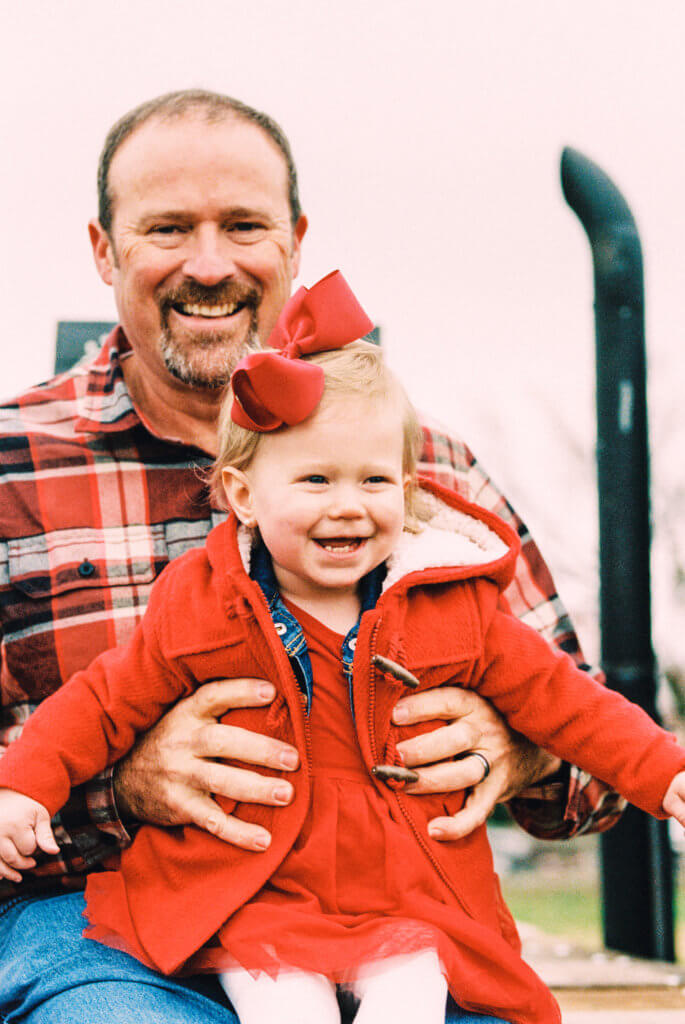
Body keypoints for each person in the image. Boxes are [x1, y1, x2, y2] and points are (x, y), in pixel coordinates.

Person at [0, 90, 622, 1023]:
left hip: (392, 924)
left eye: (243, 225)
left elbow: (594, 758)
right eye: (168, 228)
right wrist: (116, 790)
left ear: (293, 241)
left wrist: (517, 747)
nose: (209, 265)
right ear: (104, 250)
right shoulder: (14, 463)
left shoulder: (419, 472)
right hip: (104, 929)